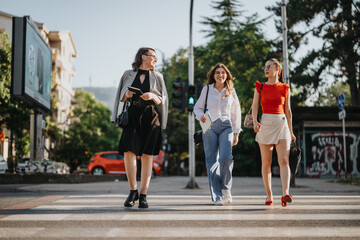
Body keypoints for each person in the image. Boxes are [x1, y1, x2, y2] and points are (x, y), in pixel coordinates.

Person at [111, 47, 168, 208]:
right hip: (132, 115)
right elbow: (119, 97)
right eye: (153, 57)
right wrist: (126, 95)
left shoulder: (158, 76)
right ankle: (132, 191)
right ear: (144, 57)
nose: (156, 60)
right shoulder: (127, 74)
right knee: (129, 153)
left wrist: (152, 96)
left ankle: (143, 195)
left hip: (151, 115)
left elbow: (164, 99)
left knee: (147, 156)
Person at [194, 63, 241, 206]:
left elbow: (236, 112)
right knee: (211, 160)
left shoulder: (230, 90)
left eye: (223, 72)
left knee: (226, 157)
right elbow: (197, 107)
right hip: (209, 126)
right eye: (217, 73)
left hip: (226, 126)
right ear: (213, 75)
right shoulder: (207, 89)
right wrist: (200, 115)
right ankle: (217, 196)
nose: (220, 75)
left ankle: (226, 189)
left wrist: (236, 132)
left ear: (226, 75)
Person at [251, 58, 296, 207]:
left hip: (282, 123)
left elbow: (288, 111)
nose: (266, 68)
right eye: (265, 66)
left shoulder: (285, 87)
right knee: (267, 163)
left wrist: (291, 130)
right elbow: (254, 106)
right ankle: (269, 194)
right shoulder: (260, 87)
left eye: (269, 66)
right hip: (266, 124)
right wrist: (256, 122)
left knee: (284, 160)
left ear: (278, 69)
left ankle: (285, 194)